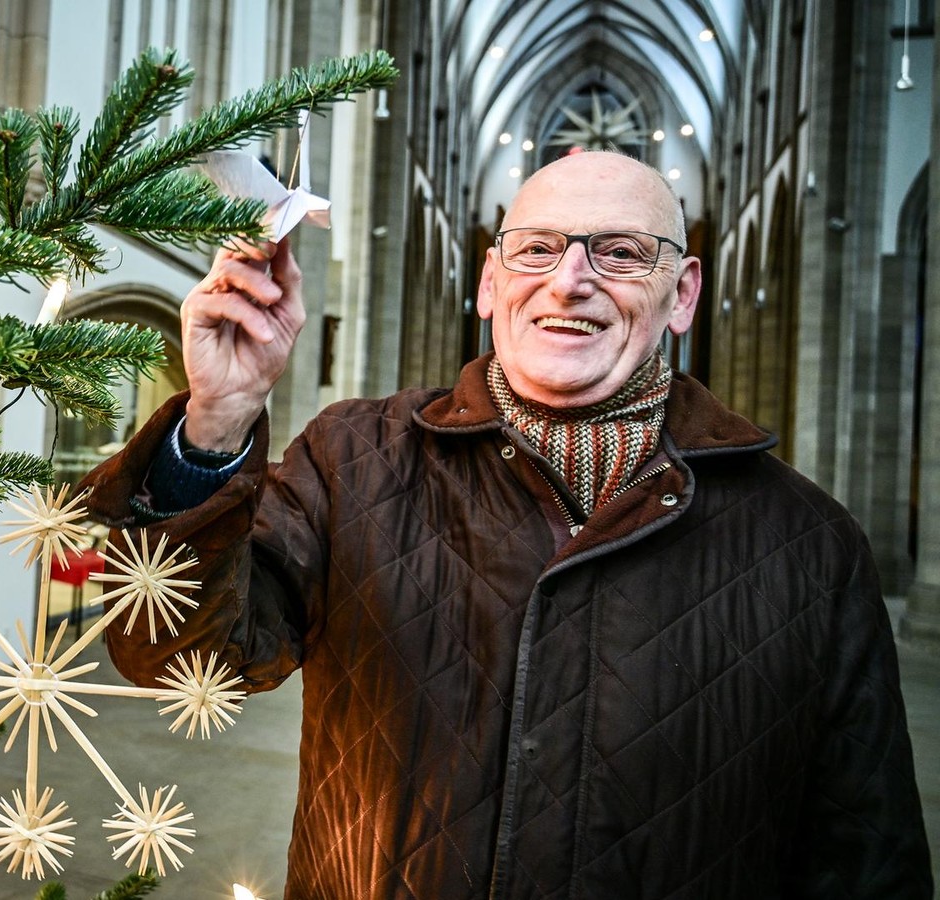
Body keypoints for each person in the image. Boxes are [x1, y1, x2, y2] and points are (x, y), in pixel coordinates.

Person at [77, 151, 932, 899]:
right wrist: (218, 424)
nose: (570, 280)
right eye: (538, 248)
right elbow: (175, 658)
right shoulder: (355, 458)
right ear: (490, 283)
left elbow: (865, 858)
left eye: (623, 252)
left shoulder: (811, 545)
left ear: (683, 294)